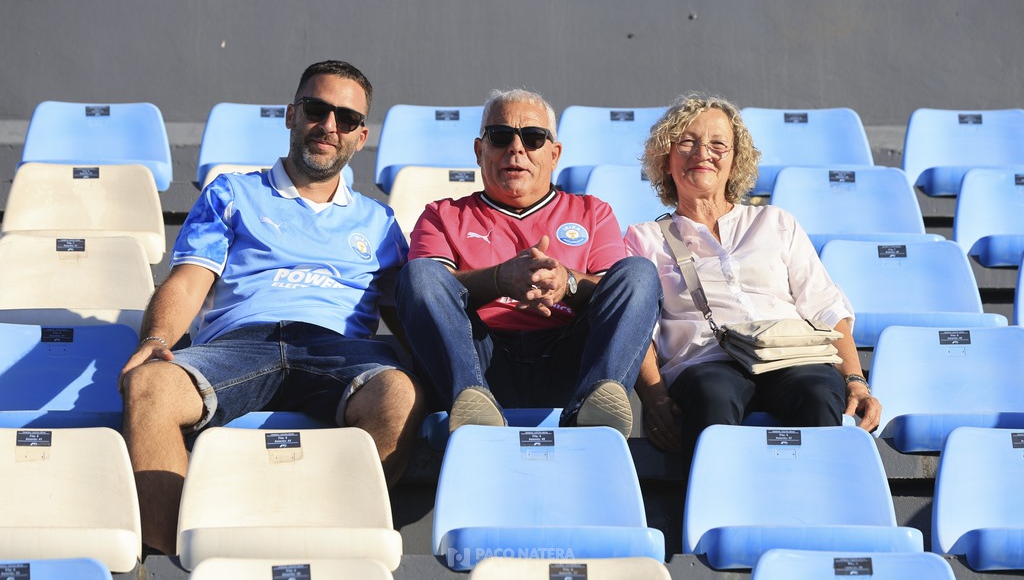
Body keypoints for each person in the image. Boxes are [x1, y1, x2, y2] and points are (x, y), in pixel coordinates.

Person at [119, 60, 424, 555]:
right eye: (316, 109)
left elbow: (405, 313)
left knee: (400, 396)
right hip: (238, 345)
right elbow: (188, 283)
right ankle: (183, 557)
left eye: (346, 118)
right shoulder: (231, 192)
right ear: (291, 115)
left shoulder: (379, 222)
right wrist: (155, 341)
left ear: (361, 136)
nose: (329, 126)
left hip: (337, 350)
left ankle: (330, 550)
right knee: (149, 386)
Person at [625, 94, 882, 460]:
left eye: (718, 144)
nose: (702, 153)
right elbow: (639, 330)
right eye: (687, 142)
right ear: (666, 158)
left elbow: (825, 306)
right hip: (705, 362)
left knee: (818, 391)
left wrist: (855, 381)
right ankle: (713, 496)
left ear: (735, 160)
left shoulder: (775, 222)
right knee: (712, 394)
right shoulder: (643, 239)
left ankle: (817, 492)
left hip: (791, 356)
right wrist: (654, 398)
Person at [395, 88, 661, 437]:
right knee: (420, 273)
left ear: (554, 154)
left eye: (533, 138)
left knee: (639, 274)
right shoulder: (441, 215)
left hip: (570, 357)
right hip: (477, 357)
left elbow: (618, 295)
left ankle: (594, 408)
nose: (516, 148)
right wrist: (500, 280)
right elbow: (428, 291)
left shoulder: (593, 212)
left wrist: (566, 283)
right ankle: (472, 405)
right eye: (500, 136)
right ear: (479, 150)